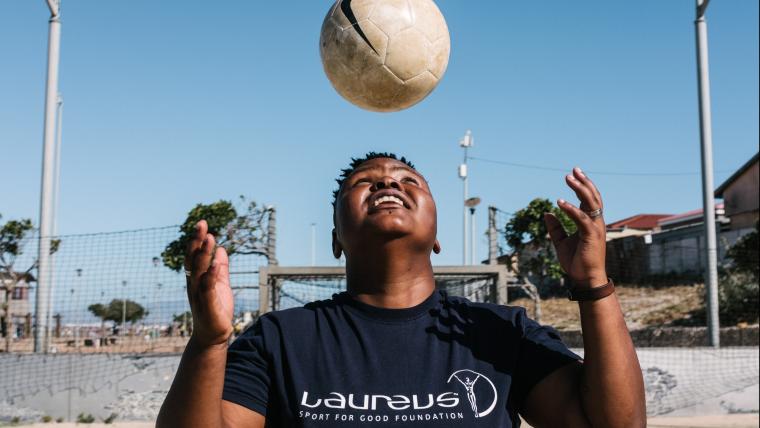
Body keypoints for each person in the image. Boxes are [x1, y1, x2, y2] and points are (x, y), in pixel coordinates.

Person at [157, 153, 646, 427]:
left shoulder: (499, 331)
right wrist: (208, 342)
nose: (388, 181)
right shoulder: (280, 338)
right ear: (335, 238)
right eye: (364, 182)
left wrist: (593, 287)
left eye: (409, 179)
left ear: (437, 237)